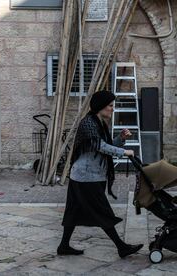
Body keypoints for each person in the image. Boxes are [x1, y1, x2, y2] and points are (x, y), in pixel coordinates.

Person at [57, 90, 143, 258]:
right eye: (110, 106)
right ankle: (121, 247)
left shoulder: (99, 122)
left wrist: (121, 138)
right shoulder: (88, 123)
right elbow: (100, 147)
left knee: (73, 211)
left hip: (87, 176)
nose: (112, 109)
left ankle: (63, 246)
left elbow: (106, 146)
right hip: (86, 177)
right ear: (100, 107)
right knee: (102, 212)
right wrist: (124, 152)